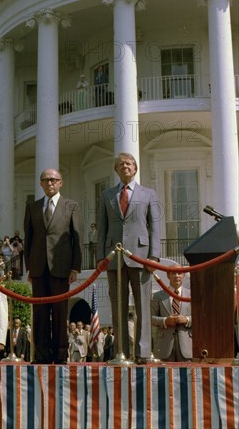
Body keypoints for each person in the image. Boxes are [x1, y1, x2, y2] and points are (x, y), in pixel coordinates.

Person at [96, 152, 161, 364]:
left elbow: (155, 227)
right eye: (121, 164)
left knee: (143, 306)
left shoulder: (148, 193)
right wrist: (100, 257)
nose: (125, 166)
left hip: (141, 257)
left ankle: (143, 354)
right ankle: (120, 353)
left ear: (135, 168)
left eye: (129, 163)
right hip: (114, 258)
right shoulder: (107, 195)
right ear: (116, 170)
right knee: (118, 308)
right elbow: (102, 228)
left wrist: (154, 256)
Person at [24, 168, 83, 364]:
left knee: (60, 312)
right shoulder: (33, 207)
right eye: (45, 180)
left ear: (61, 183)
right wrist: (29, 268)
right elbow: (29, 239)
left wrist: (75, 267)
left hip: (61, 267)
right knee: (40, 313)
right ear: (41, 184)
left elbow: (77, 237)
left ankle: (60, 355)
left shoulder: (70, 206)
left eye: (53, 180)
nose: (49, 183)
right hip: (39, 267)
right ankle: (40, 355)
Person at [151, 269, 192, 362]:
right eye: (173, 273)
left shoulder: (192, 295)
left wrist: (187, 319)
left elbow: (201, 317)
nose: (177, 276)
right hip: (164, 347)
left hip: (187, 347)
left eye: (180, 273)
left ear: (184, 275)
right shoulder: (157, 296)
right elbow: (149, 318)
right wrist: (165, 321)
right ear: (168, 275)